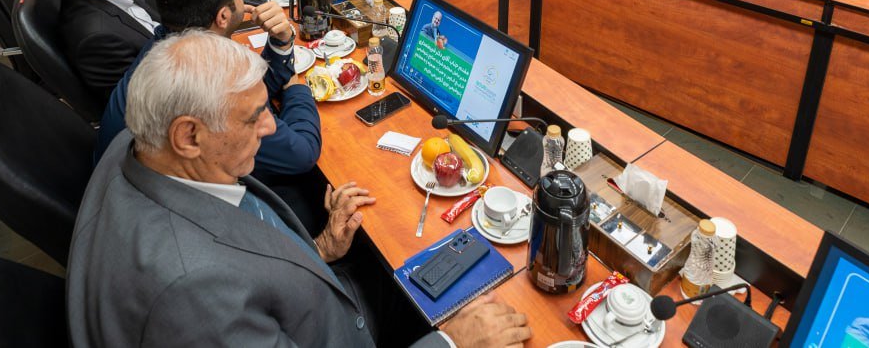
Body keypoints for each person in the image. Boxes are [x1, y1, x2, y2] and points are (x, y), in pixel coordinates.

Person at [68, 31, 531, 348]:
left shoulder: (137, 145)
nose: (271, 127)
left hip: (307, 289)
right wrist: (452, 342)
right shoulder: (195, 296)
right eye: (255, 117)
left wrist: (320, 247)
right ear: (188, 136)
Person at [94, 0, 318, 194]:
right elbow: (302, 154)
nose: (244, 0)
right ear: (223, 16)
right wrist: (296, 88)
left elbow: (256, 90)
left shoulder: (166, 44)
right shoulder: (210, 81)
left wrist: (281, 42)